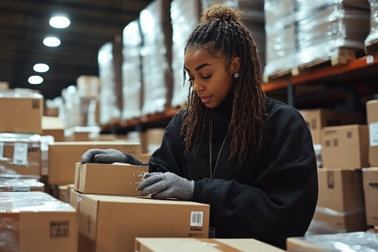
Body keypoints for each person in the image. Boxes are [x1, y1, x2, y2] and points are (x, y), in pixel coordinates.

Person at [81, 4, 317, 249]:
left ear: (234, 66)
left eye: (206, 75)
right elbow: (162, 176)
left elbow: (287, 215)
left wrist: (198, 191)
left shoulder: (282, 124)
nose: (197, 86)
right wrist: (125, 164)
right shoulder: (185, 124)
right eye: (191, 77)